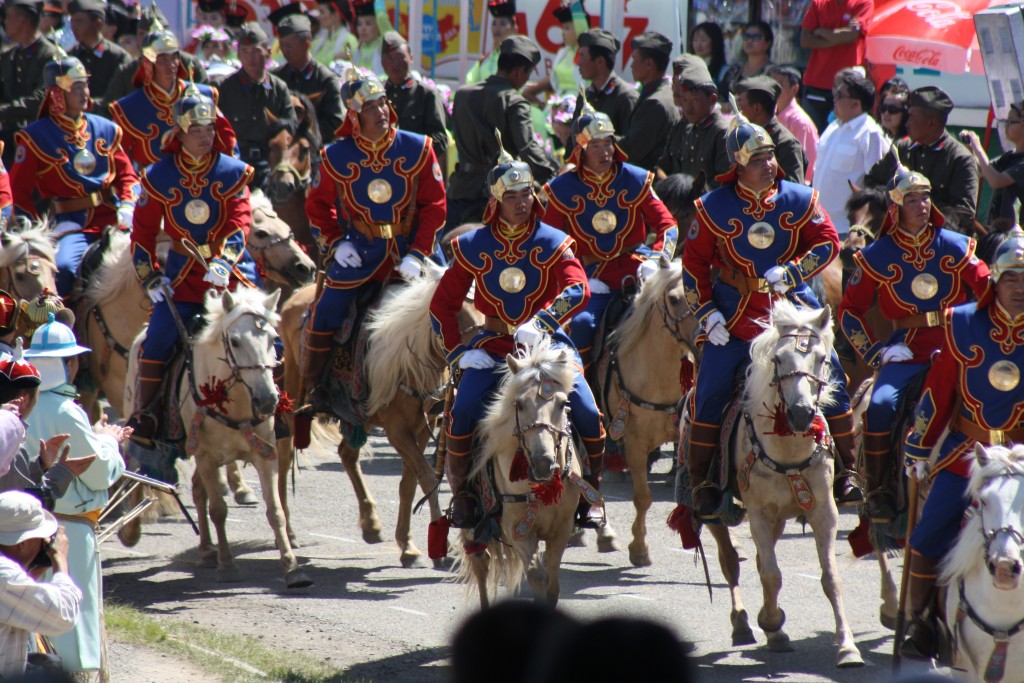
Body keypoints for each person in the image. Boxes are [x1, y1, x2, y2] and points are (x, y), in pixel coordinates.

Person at [681, 109, 863, 520]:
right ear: (738, 165)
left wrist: (795, 271)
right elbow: (692, 265)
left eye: (771, 156)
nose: (770, 165)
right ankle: (702, 481)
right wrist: (707, 313)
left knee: (831, 368)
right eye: (759, 159)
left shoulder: (799, 198)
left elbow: (829, 242)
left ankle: (848, 472)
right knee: (709, 386)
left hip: (791, 306)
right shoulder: (712, 207)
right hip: (734, 314)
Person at [428, 144, 604, 530]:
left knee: (588, 412)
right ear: (496, 200)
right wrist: (458, 355)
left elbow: (579, 289)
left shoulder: (554, 240)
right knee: (461, 416)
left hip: (547, 348)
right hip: (493, 348)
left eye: (526, 193)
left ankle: (592, 492)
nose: (521, 202)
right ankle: (464, 498)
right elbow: (441, 306)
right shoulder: (473, 246)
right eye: (511, 196)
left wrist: (540, 322)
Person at [543, 102, 677, 523]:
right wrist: (579, 274)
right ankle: (586, 419)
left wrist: (657, 258)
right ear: (579, 149)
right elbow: (548, 241)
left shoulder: (636, 179)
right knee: (579, 330)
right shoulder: (560, 190)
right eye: (594, 144)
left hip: (635, 275)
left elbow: (668, 225)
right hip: (590, 282)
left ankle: (688, 409)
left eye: (608, 143)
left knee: (679, 324)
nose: (604, 151)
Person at [900, 227, 1024, 660]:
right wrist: (918, 449)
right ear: (994, 281)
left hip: (1021, 462)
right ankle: (920, 622)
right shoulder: (962, 322)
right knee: (928, 532)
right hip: (964, 454)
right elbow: (938, 393)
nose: (1020, 289)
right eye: (1012, 278)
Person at [838, 168, 990, 522]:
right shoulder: (877, 254)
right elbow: (849, 312)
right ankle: (877, 494)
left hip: (958, 346)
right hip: (906, 350)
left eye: (925, 197)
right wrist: (877, 353)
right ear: (895, 207)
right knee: (879, 406)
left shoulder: (955, 245)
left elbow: (988, 290)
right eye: (912, 199)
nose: (921, 205)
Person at [301, 74, 446, 409]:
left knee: (454, 308)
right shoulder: (334, 156)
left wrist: (419, 254)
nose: (380, 110)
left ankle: (458, 388)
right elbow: (316, 208)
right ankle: (316, 388)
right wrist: (337, 243)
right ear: (354, 115)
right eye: (369, 106)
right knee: (325, 311)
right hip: (361, 253)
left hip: (414, 251)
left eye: (382, 102)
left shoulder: (419, 147)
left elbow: (435, 207)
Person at [125, 92, 255, 445]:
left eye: (210, 128)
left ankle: (279, 407)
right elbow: (143, 234)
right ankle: (146, 416)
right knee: (156, 342)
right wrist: (149, 276)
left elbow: (240, 222)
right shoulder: (158, 176)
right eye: (197, 129)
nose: (206, 135)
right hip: (182, 280)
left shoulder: (232, 171)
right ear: (180, 133)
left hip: (230, 275)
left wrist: (225, 262)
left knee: (263, 333)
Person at [21, 317, 128, 679]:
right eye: (73, 360)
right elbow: (97, 471)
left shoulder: (22, 404)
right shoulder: (67, 409)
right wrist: (110, 441)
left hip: (26, 524)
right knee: (73, 615)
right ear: (70, 364)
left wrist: (95, 437)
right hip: (70, 529)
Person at [9, 56, 139, 298]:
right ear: (57, 94)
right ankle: (67, 326)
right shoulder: (36, 136)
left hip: (115, 218)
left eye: (85, 86)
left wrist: (129, 205)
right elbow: (18, 193)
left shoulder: (106, 129)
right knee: (66, 270)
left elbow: (128, 177)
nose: (85, 93)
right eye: (76, 88)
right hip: (72, 225)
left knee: (149, 264)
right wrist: (38, 235)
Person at [448, 35, 558, 228]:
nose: (526, 80)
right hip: (499, 194)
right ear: (517, 73)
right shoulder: (514, 101)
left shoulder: (463, 94)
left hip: (460, 190)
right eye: (527, 74)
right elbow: (528, 149)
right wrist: (555, 175)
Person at [108, 30, 236, 168]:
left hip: (201, 179)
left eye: (174, 57)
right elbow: (119, 157)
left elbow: (226, 141)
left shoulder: (203, 95)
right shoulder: (129, 107)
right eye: (163, 59)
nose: (171, 64)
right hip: (153, 184)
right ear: (148, 63)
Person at [866, 86, 979, 229]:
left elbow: (963, 214)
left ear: (931, 123)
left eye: (912, 117)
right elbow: (872, 182)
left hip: (937, 243)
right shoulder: (901, 149)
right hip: (899, 236)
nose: (906, 123)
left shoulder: (960, 159)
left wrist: (921, 216)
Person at [0, 490, 82, 679]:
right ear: (22, 544)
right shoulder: (4, 577)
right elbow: (63, 615)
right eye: (40, 540)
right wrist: (59, 559)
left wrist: (34, 567)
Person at [217, 23, 295, 191]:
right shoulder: (224, 88)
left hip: (269, 166)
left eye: (256, 51)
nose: (250, 58)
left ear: (268, 53)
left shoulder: (279, 89)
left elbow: (291, 129)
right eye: (245, 52)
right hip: (234, 166)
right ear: (238, 54)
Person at [812, 71, 888, 238]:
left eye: (839, 95)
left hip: (845, 228)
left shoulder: (870, 133)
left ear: (855, 104)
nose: (834, 98)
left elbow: (876, 186)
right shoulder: (833, 127)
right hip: (817, 222)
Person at [101, 8, 210, 115]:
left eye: (154, 34)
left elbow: (207, 103)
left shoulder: (190, 64)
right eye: (142, 34)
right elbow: (109, 110)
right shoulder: (127, 72)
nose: (147, 39)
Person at [0, 0, 62, 168]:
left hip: (43, 140)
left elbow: (45, 97)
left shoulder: (53, 57)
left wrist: (4, 111)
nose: (4, 22)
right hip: (10, 138)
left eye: (8, 17)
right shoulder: (8, 56)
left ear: (22, 21)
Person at [656, 55, 730, 188]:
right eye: (684, 100)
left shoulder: (722, 133)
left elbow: (723, 183)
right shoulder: (688, 128)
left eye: (695, 100)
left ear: (712, 99)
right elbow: (663, 166)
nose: (688, 108)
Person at [799, 0, 872, 133]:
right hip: (817, 84)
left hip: (849, 88)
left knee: (847, 137)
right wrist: (839, 39)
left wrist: (821, 32)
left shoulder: (863, 3)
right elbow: (805, 40)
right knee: (811, 138)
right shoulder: (818, 3)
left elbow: (851, 35)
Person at [272, 13, 344, 143]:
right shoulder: (276, 77)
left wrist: (303, 134)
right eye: (282, 45)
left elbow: (335, 123)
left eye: (289, 45)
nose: (284, 50)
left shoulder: (325, 80)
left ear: (306, 44)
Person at [381, 31, 449, 161]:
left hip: (415, 168)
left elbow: (440, 139)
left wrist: (415, 157)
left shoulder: (426, 94)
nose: (395, 64)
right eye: (389, 58)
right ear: (382, 62)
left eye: (400, 57)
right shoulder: (378, 95)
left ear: (411, 58)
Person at [620, 31, 679, 171]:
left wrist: (598, 138)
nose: (631, 65)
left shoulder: (655, 103)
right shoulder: (666, 92)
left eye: (634, 59)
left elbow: (631, 151)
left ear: (649, 64)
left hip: (648, 184)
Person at [734, 75, 806, 184]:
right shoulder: (743, 136)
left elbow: (792, 193)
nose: (738, 111)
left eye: (741, 104)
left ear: (756, 108)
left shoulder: (786, 143)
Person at [961, 107, 1024, 227]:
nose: (1006, 125)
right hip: (997, 227)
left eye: (1010, 121)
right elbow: (982, 171)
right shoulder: (1009, 156)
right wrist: (971, 149)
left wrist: (978, 148)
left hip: (1016, 233)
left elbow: (996, 181)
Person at [68, 0, 132, 115]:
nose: (74, 27)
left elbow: (122, 99)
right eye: (72, 22)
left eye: (79, 22)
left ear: (98, 24)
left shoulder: (118, 57)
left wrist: (91, 104)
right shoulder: (69, 57)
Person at [577, 29, 637, 147]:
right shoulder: (585, 96)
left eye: (582, 56)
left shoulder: (626, 97)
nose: (579, 63)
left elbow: (632, 145)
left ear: (600, 62)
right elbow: (574, 138)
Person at [522, 2, 588, 106]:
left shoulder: (588, 56)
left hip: (579, 107)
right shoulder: (563, 53)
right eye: (562, 28)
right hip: (559, 105)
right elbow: (553, 79)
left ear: (578, 28)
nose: (562, 32)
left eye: (567, 28)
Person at [769, 65, 819, 182]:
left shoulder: (801, 123)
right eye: (772, 83)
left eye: (780, 84)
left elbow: (805, 166)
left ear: (794, 89)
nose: (774, 88)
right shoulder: (771, 113)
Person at [720, 21, 774, 106]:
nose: (749, 41)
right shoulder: (734, 70)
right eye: (746, 36)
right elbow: (720, 98)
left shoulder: (774, 73)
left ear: (768, 43)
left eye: (755, 37)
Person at [466, 0, 519, 85]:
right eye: (494, 23)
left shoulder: (518, 59)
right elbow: (469, 82)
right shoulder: (486, 58)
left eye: (502, 24)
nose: (497, 28)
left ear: (514, 28)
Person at [348, 0, 392, 76]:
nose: (363, 29)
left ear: (378, 26)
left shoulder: (384, 45)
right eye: (359, 24)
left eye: (368, 24)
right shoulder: (357, 49)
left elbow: (382, 18)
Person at [311, 0, 355, 66]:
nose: (319, 17)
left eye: (322, 12)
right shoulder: (317, 41)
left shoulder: (349, 40)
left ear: (335, 15)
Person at [689, 21, 728, 95]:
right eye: (695, 40)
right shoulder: (688, 67)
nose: (698, 45)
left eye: (703, 40)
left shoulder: (724, 71)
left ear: (715, 41)